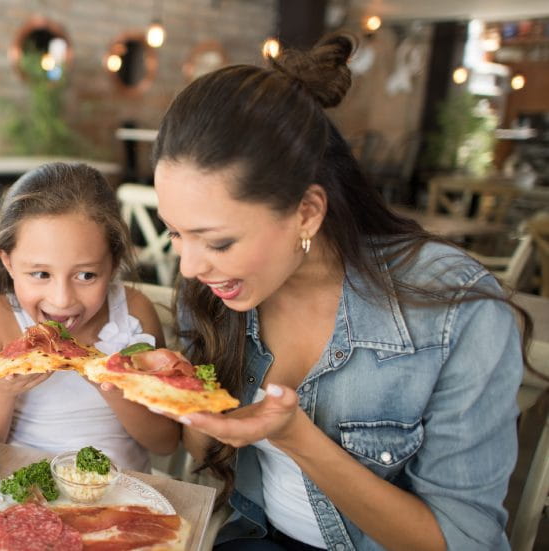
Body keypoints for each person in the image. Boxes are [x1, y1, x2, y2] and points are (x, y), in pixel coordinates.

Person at [151, 34, 526, 550]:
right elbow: (203, 453)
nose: (189, 266)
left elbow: (465, 542)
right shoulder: (220, 290)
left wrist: (296, 440)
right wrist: (184, 392)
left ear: (307, 211)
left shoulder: (455, 312)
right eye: (174, 231)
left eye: (217, 240)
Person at [0, 162, 179, 472]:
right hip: (21, 494)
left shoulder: (135, 314)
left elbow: (165, 443)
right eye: (40, 274)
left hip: (122, 498)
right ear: (8, 263)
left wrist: (116, 387)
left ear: (114, 263)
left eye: (86, 275)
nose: (62, 300)